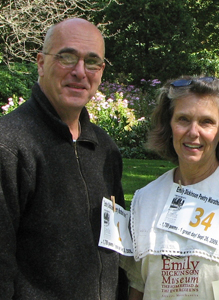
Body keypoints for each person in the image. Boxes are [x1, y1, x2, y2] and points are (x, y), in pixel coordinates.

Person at [120, 76, 219, 300]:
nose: (193, 132)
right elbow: (137, 284)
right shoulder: (145, 199)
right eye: (183, 119)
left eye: (206, 122)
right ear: (170, 125)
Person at [0, 18, 127, 299]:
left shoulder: (106, 150)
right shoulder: (9, 146)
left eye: (92, 61)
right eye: (67, 57)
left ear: (101, 71)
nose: (80, 72)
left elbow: (117, 248)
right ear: (41, 63)